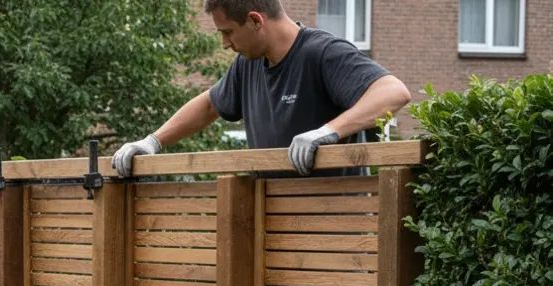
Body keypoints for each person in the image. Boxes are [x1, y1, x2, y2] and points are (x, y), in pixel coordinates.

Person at [112, 0, 411, 177]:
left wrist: (325, 132)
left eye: (228, 32)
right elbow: (208, 105)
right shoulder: (249, 64)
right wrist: (152, 142)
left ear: (255, 20)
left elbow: (393, 92)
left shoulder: (322, 54)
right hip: (273, 228)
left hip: (334, 236)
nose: (225, 43)